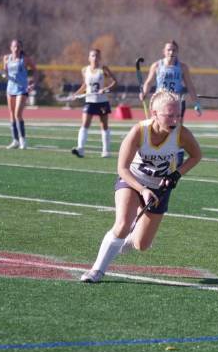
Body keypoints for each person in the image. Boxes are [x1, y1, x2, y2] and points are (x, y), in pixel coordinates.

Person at [80, 90, 202, 283]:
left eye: (177, 115)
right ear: (154, 113)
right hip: (132, 181)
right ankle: (96, 270)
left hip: (159, 189)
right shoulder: (139, 131)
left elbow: (196, 156)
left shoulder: (181, 134)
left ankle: (131, 236)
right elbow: (122, 168)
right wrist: (142, 190)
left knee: (142, 244)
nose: (175, 120)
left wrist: (176, 174)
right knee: (122, 224)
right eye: (169, 115)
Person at [0, 39, 37, 150]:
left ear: (21, 48)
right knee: (11, 114)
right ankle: (15, 140)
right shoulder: (7, 58)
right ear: (11, 48)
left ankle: (23, 140)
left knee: (18, 114)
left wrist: (32, 82)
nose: (16, 49)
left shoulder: (25, 59)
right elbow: (5, 72)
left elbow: (35, 70)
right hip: (10, 89)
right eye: (14, 47)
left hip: (21, 89)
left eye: (18, 47)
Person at [71, 49, 118, 158]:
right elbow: (85, 85)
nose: (95, 58)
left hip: (102, 101)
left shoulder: (103, 69)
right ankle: (80, 149)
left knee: (104, 126)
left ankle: (106, 151)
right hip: (90, 102)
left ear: (100, 58)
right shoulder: (84, 70)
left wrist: (105, 89)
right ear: (89, 57)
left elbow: (115, 82)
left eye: (97, 56)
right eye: (92, 56)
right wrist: (76, 94)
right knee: (84, 124)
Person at [139, 40, 202, 120]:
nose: (171, 52)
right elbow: (149, 82)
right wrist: (144, 93)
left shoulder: (182, 67)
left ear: (177, 52)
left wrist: (196, 103)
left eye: (174, 50)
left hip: (176, 101)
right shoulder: (157, 65)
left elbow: (190, 86)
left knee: (176, 128)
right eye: (169, 50)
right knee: (156, 125)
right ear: (164, 51)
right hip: (160, 100)